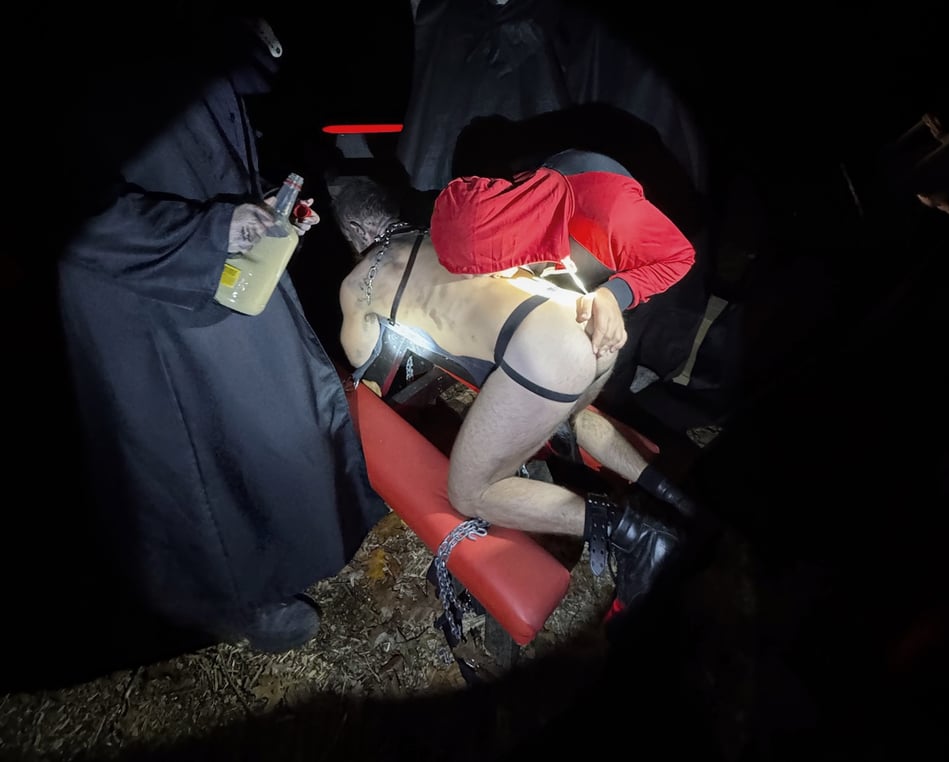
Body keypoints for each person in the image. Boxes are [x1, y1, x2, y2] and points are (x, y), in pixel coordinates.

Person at [53, 15, 387, 653]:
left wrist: (265, 208)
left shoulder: (181, 39)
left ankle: (291, 544)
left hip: (218, 264)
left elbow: (213, 117)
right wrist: (213, 230)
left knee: (269, 416)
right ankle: (226, 600)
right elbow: (76, 218)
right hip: (143, 294)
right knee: (190, 463)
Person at [330, 176, 710, 614]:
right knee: (565, 418)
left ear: (357, 231)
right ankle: (675, 500)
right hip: (582, 320)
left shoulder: (359, 280)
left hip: (545, 353)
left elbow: (365, 365)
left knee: (470, 493)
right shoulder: (447, 232)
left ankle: (638, 535)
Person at [430, 149, 698, 416]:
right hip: (570, 220)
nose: (491, 278)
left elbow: (679, 258)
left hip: (625, 236)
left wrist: (616, 293)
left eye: (490, 270)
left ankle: (598, 412)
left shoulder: (615, 221)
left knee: (606, 344)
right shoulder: (509, 198)